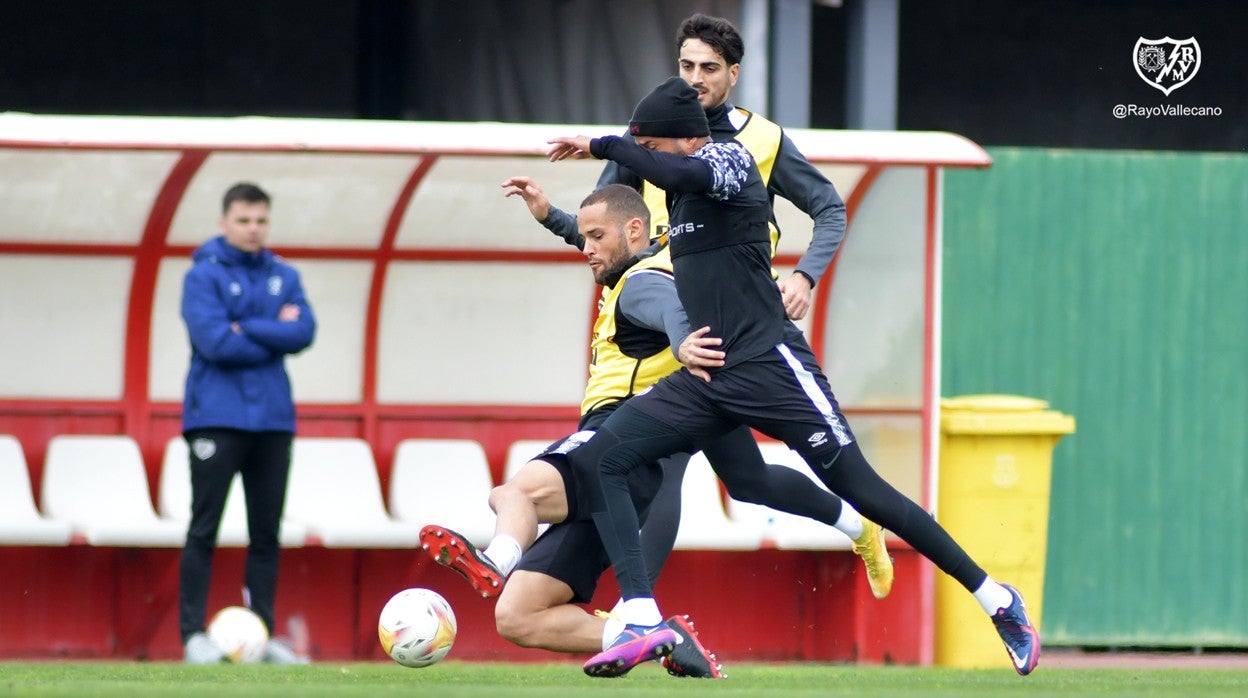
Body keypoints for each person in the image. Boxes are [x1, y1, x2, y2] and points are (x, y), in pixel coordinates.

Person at [547, 78, 1040, 679]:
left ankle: (997, 599)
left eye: (651, 145)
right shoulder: (673, 191)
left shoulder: (726, 160)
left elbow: (683, 171)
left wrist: (605, 144)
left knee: (866, 491)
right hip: (712, 372)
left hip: (773, 367)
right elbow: (617, 241)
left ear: (685, 139)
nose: (644, 159)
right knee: (606, 457)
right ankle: (642, 619)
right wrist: (558, 214)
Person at [420, 182, 889, 678]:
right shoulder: (650, 251)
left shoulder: (646, 274)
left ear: (638, 227)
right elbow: (610, 239)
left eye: (596, 237)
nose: (587, 248)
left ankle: (497, 561)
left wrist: (685, 340)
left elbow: (665, 303)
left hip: (629, 428)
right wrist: (548, 215)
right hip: (687, 402)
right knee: (517, 616)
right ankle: (649, 635)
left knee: (515, 492)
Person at [534, 12, 849, 568]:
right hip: (659, 315)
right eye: (686, 66)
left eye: (709, 67)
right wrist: (551, 217)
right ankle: (636, 605)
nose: (696, 78)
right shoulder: (645, 135)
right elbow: (602, 229)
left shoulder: (762, 140)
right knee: (661, 458)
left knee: (746, 479)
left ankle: (858, 523)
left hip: (726, 319)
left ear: (734, 74)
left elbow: (829, 208)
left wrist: (805, 275)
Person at [178, 182, 317, 665]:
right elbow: (215, 342)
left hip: (273, 421)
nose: (253, 229)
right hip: (216, 418)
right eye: (243, 220)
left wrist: (248, 326)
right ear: (224, 223)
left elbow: (304, 332)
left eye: (260, 220)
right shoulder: (201, 276)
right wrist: (274, 328)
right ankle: (193, 636)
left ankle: (263, 635)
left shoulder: (284, 274)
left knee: (265, 534)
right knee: (204, 528)